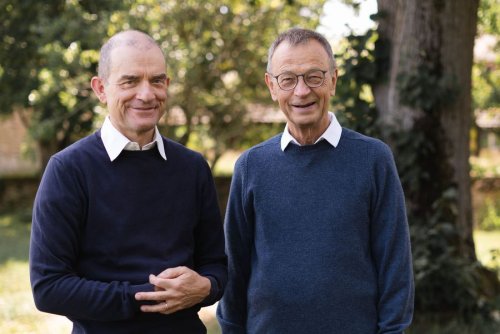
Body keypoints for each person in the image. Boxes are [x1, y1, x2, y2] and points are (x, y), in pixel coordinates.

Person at [216, 27, 414, 333]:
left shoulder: (373, 160)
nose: (301, 91)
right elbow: (234, 267)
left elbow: (395, 266)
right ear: (272, 86)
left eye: (313, 77)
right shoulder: (250, 166)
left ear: (333, 80)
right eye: (288, 79)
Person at [30, 30, 227, 333]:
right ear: (101, 89)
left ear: (167, 86)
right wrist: (144, 298)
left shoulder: (193, 168)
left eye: (157, 80)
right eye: (130, 81)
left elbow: (216, 267)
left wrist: (206, 286)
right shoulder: (68, 170)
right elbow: (49, 287)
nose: (147, 94)